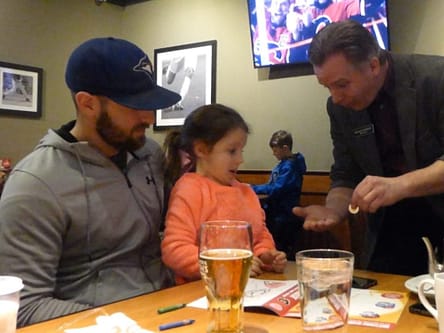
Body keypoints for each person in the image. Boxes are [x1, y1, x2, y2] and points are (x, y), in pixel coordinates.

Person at [0, 37, 182, 326]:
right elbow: (24, 307)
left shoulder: (149, 155)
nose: (149, 117)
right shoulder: (34, 185)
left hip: (173, 310)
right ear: (87, 103)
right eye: (135, 105)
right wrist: (115, 322)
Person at [293, 19, 444, 276]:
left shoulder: (436, 79)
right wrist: (333, 210)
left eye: (341, 84)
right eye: (327, 87)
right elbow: (346, 173)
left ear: (373, 65)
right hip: (392, 231)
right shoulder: (339, 108)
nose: (335, 97)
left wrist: (399, 185)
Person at [161, 104, 287, 284]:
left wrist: (266, 255)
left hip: (246, 290)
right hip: (198, 294)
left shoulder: (245, 192)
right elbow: (174, 249)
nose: (240, 159)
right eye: (231, 151)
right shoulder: (190, 190)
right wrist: (222, 266)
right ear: (201, 150)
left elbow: (259, 237)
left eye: (241, 150)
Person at [251, 130, 306, 260]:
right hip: (280, 212)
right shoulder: (284, 164)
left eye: (276, 150)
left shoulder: (290, 166)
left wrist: (254, 188)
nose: (274, 154)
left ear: (285, 148)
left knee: (281, 248)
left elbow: (277, 188)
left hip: (285, 214)